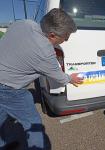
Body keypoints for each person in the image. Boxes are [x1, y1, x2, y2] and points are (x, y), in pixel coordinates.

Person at [0, 8, 83, 150]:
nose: (66, 40)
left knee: (2, 116)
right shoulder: (45, 52)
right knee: (33, 124)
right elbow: (59, 76)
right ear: (52, 35)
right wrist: (71, 78)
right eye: (65, 36)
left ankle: (3, 144)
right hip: (9, 89)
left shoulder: (24, 24)